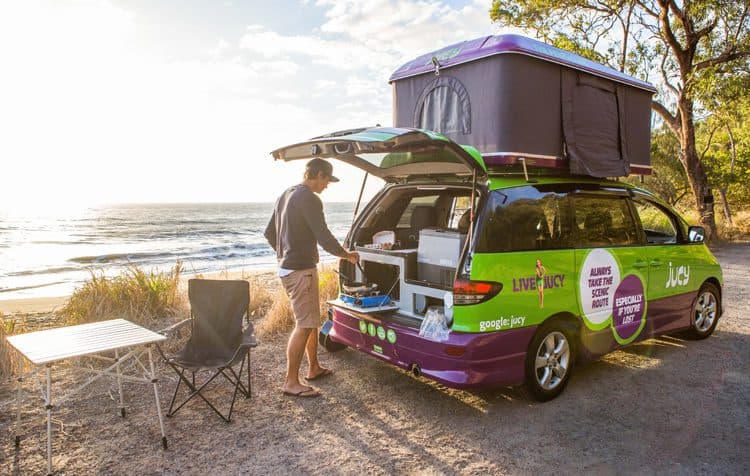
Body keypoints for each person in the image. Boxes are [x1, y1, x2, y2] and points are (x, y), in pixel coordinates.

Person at [264, 158, 359, 398]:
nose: (327, 185)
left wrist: (284, 254)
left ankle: (313, 367)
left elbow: (269, 233)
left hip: (291, 267)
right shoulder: (309, 198)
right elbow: (324, 236)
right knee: (305, 324)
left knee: (312, 321)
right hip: (300, 270)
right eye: (326, 179)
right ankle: (290, 382)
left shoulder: (286, 194)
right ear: (317, 174)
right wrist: (347, 255)